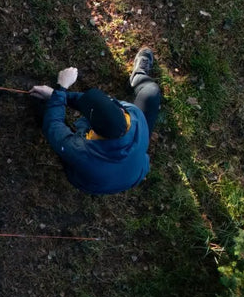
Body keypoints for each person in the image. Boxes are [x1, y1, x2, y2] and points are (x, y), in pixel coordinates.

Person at [29, 48, 161, 195]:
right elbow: (89, 104)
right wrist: (57, 96)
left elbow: (53, 126)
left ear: (93, 129)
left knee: (47, 114)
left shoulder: (83, 152)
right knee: (151, 92)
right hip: (134, 162)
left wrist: (61, 89)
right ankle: (138, 76)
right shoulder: (134, 115)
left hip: (94, 178)